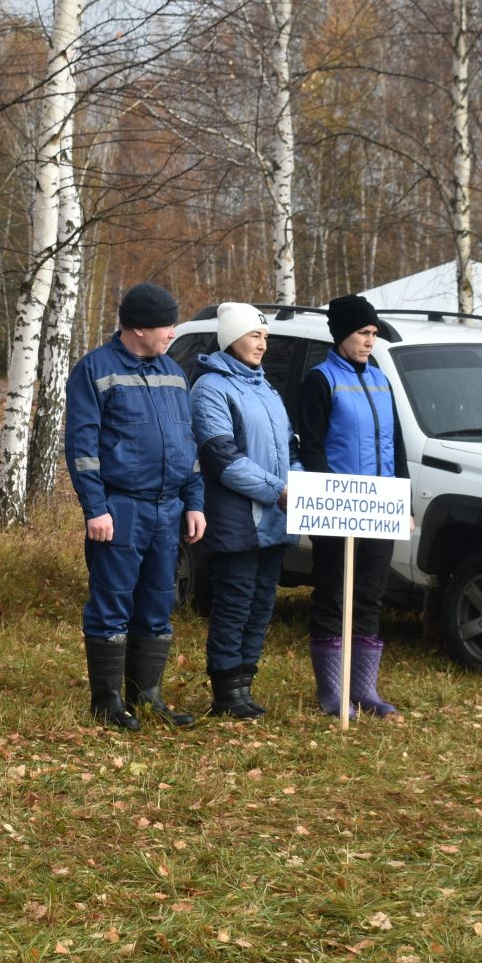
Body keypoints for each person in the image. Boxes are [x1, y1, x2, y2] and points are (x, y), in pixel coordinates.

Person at [63, 282, 206, 731]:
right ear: (139, 327)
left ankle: (147, 697)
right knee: (112, 601)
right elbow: (81, 447)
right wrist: (95, 508)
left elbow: (189, 443)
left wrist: (194, 502)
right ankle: (106, 703)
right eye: (167, 324)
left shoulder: (174, 372)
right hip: (120, 509)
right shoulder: (95, 370)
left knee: (159, 601)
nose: (172, 332)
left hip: (168, 509)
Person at [293, 294, 410, 718]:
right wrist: (331, 498)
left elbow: (395, 446)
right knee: (332, 596)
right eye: (363, 333)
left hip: (380, 508)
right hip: (338, 510)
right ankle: (331, 692)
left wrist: (403, 502)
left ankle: (364, 690)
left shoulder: (380, 379)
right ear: (343, 333)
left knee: (370, 596)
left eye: (374, 334)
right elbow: (313, 447)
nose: (369, 341)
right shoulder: (320, 380)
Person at [189, 304, 296, 720]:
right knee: (234, 604)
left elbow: (289, 450)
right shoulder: (211, 388)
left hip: (274, 517)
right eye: (255, 336)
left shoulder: (266, 389)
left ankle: (245, 687)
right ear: (232, 338)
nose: (262, 344)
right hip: (237, 519)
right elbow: (222, 458)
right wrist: (278, 491)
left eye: (265, 337)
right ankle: (225, 692)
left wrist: (297, 483)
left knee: (261, 604)